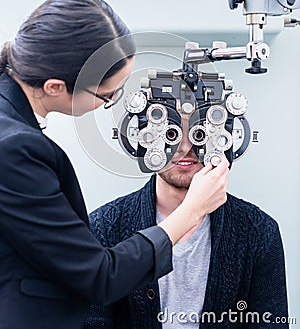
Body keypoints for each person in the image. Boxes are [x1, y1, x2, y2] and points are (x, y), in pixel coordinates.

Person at [0, 0, 229, 329]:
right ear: (53, 87)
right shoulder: (15, 149)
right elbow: (100, 276)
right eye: (107, 95)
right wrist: (191, 212)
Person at [85, 117, 289, 328]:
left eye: (199, 133)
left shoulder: (259, 232)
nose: (185, 147)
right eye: (170, 133)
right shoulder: (104, 227)